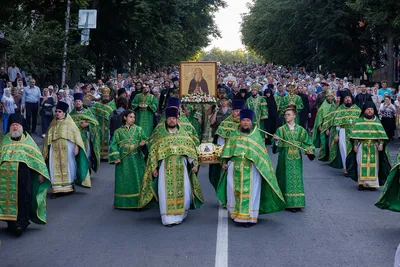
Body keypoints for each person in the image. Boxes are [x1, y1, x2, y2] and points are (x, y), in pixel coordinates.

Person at [217, 109, 286, 227]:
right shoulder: (234, 134)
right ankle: (236, 215)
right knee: (235, 192)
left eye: (248, 120)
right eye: (243, 120)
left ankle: (249, 217)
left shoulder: (256, 136)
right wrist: (224, 161)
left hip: (252, 169)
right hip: (235, 168)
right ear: (240, 122)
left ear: (251, 122)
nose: (245, 123)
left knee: (251, 193)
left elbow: (262, 157)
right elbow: (227, 150)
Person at [138, 107, 204, 227]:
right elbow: (154, 152)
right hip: (165, 168)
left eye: (174, 118)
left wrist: (194, 164)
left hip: (181, 167)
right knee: (164, 192)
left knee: (183, 190)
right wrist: (154, 168)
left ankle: (180, 215)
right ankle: (167, 218)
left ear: (177, 119)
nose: (172, 121)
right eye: (170, 118)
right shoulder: (160, 134)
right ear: (166, 120)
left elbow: (190, 149)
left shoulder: (183, 134)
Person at [0, 113, 51, 237]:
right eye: (13, 125)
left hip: (23, 177)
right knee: (7, 199)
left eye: (17, 125)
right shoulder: (4, 141)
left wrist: (41, 174)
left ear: (22, 126)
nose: (15, 128)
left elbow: (36, 158)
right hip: (5, 179)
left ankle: (22, 223)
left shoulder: (28, 141)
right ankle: (12, 223)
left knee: (24, 198)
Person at [42, 101, 91, 197]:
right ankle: (57, 189)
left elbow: (76, 136)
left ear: (64, 113)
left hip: (68, 148)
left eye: (59, 111)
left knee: (69, 166)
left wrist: (76, 147)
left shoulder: (70, 123)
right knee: (54, 167)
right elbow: (47, 139)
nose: (57, 113)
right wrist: (46, 151)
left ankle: (68, 187)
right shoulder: (53, 124)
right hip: (54, 149)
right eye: (56, 111)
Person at [273, 107, 315, 212]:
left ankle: (297, 202)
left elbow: (307, 143)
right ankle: (286, 202)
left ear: (294, 116)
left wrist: (309, 150)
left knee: (296, 179)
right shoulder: (281, 130)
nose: (286, 116)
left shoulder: (301, 130)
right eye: (285, 115)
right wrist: (277, 141)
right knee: (284, 178)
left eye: (288, 114)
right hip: (284, 158)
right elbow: (277, 148)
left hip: (296, 159)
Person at [346, 101, 391, 191]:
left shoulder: (377, 122)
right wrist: (355, 145)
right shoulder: (360, 121)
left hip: (374, 147)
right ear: (364, 111)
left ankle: (372, 184)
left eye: (371, 109)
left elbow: (382, 136)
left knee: (374, 165)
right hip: (362, 146)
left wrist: (381, 144)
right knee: (360, 164)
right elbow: (355, 136)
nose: (370, 111)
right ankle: (361, 183)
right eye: (368, 110)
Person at [109, 109, 147, 209]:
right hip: (123, 161)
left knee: (137, 179)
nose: (133, 119)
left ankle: (137, 202)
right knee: (123, 181)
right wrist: (116, 157)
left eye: (134, 117)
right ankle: (122, 202)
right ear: (125, 117)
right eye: (130, 117)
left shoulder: (139, 130)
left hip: (136, 160)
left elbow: (145, 140)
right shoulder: (118, 132)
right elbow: (113, 144)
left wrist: (143, 143)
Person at [327, 90, 361, 175]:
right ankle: (346, 168)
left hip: (355, 132)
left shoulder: (357, 109)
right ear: (343, 99)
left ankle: (356, 168)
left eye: (349, 97)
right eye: (346, 98)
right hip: (343, 131)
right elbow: (337, 124)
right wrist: (336, 134)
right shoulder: (340, 109)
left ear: (351, 98)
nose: (348, 99)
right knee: (344, 150)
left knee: (356, 150)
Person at [70, 93, 101, 173]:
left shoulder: (87, 112)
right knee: (76, 155)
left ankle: (87, 172)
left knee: (86, 154)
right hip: (74, 138)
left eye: (79, 101)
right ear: (74, 103)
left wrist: (87, 124)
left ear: (82, 102)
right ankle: (78, 173)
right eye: (76, 101)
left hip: (85, 136)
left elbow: (96, 123)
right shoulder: (71, 114)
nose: (78, 103)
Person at [91, 87, 116, 159]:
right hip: (98, 125)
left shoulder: (112, 105)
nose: (105, 98)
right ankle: (98, 154)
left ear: (109, 96)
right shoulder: (97, 104)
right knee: (98, 139)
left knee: (107, 139)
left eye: (107, 96)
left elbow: (114, 116)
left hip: (108, 126)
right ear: (102, 96)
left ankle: (106, 155)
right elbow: (92, 113)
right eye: (104, 96)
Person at [312, 90, 336, 161]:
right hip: (324, 127)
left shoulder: (334, 106)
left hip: (333, 127)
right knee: (324, 142)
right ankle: (324, 155)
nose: (330, 97)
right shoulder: (323, 107)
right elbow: (319, 117)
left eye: (331, 96)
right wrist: (320, 127)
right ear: (326, 97)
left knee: (332, 143)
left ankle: (330, 156)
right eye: (328, 96)